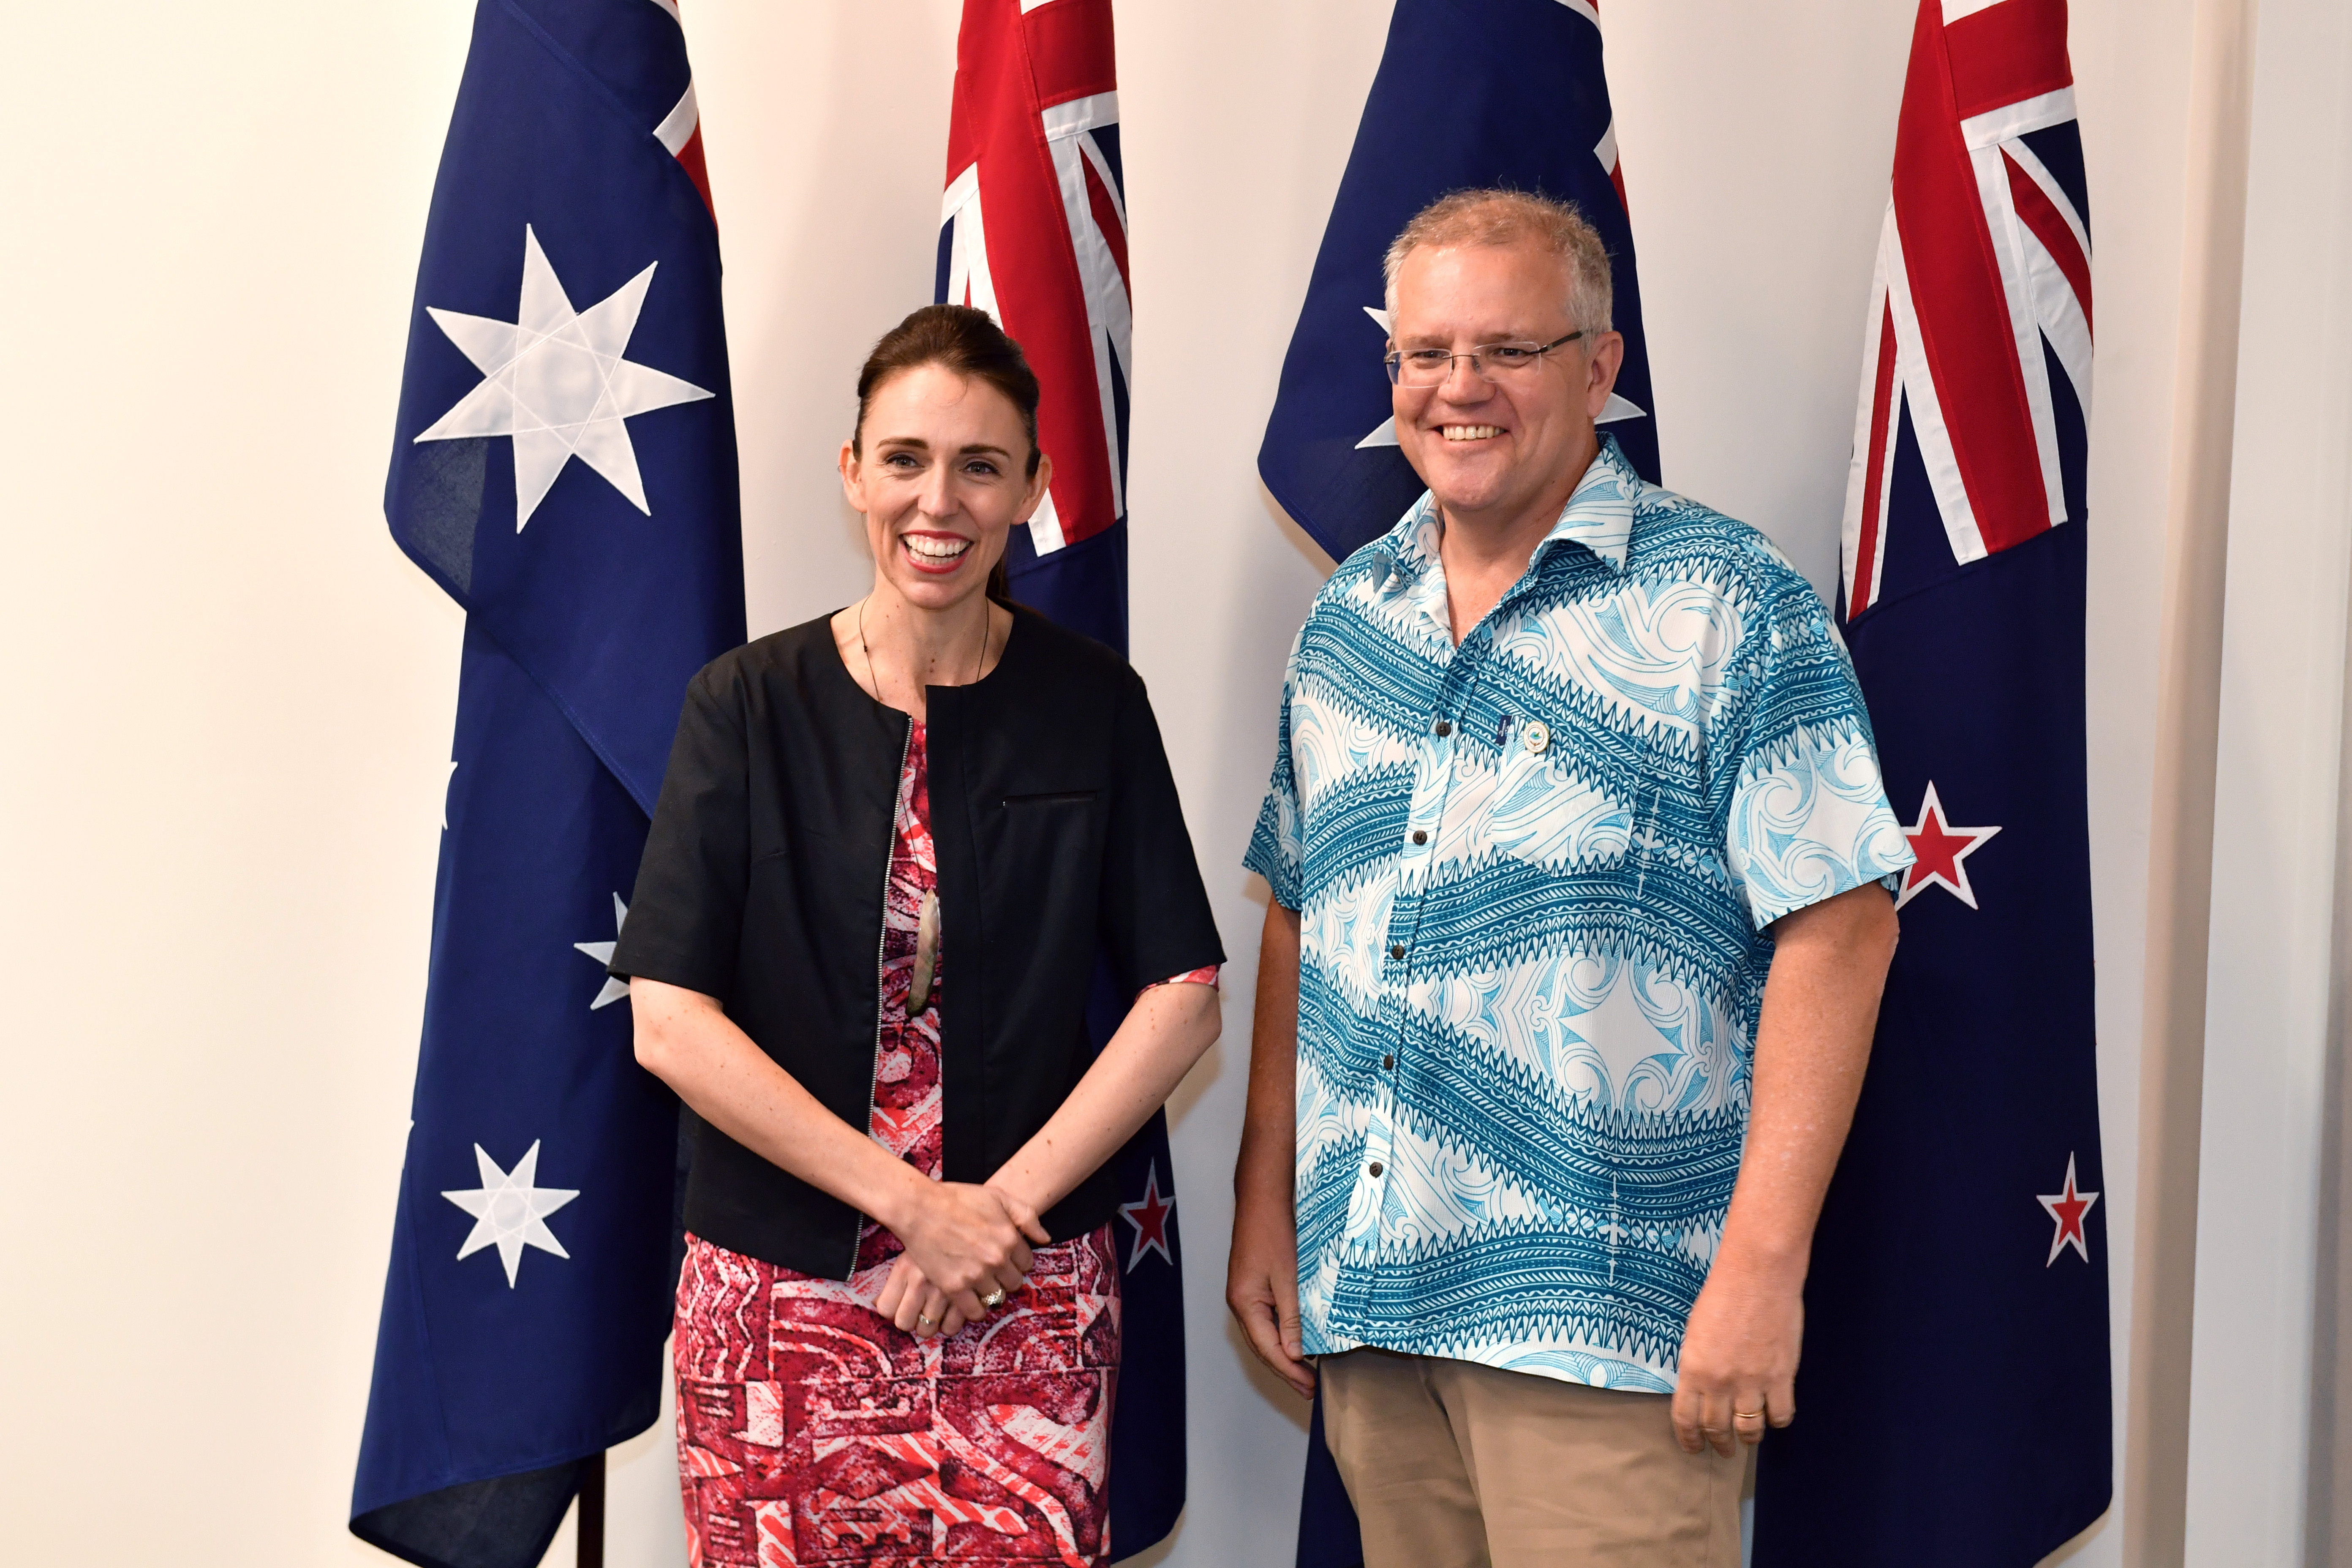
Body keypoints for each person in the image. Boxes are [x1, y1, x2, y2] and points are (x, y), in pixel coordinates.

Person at [1228, 191, 1915, 1566]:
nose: (1458, 389)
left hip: (1607, 1332)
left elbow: (1840, 931)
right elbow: (1306, 919)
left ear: (1599, 369)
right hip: (1378, 1307)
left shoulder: (1727, 603)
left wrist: (1763, 1269)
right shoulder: (1352, 614)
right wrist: (1265, 1200)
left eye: (1508, 350)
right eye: (1424, 354)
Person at [612, 303, 1225, 1566]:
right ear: (852, 472)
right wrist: (910, 1205)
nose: (936, 500)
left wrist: (989, 1215)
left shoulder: (1094, 704)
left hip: (1027, 1292)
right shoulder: (745, 704)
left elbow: (1185, 992)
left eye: (980, 464)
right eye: (903, 458)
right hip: (781, 1311)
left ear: (1034, 490)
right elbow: (671, 1023)